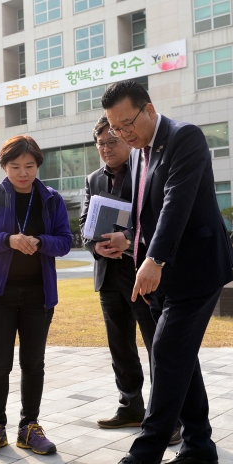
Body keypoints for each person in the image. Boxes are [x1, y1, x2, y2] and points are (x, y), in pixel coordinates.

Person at [97, 80, 233, 464]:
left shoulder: (184, 137)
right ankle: (198, 449)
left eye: (126, 124)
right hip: (160, 273)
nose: (123, 135)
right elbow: (149, 213)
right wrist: (132, 242)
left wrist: (154, 258)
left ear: (149, 109)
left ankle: (145, 455)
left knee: (166, 351)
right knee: (181, 358)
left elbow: (177, 202)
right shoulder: (141, 152)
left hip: (195, 269)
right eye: (115, 129)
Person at [0, 135, 72, 457]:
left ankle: (30, 428)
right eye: (15, 166)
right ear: (4, 166)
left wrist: (40, 242)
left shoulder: (51, 200)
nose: (23, 172)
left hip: (38, 296)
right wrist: (8, 240)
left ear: (38, 165)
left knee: (34, 364)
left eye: (29, 166)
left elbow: (66, 242)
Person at [80, 116, 181, 446]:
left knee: (159, 346)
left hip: (142, 274)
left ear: (126, 140)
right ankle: (130, 405)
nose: (107, 149)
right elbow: (84, 226)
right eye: (101, 145)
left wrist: (126, 237)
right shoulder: (93, 179)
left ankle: (170, 417)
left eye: (113, 142)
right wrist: (95, 245)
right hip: (108, 277)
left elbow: (157, 219)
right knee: (119, 346)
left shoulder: (145, 172)